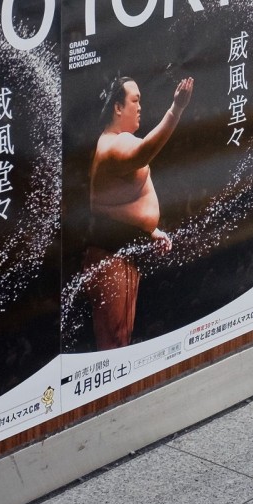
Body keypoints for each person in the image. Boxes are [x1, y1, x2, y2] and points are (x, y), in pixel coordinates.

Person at [83, 75, 193, 349]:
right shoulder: (114, 144)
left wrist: (150, 229)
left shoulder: (115, 142)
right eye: (135, 100)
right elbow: (145, 151)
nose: (140, 107)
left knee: (122, 335)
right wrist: (176, 109)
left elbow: (110, 204)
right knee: (114, 340)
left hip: (118, 253)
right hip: (110, 256)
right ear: (118, 108)